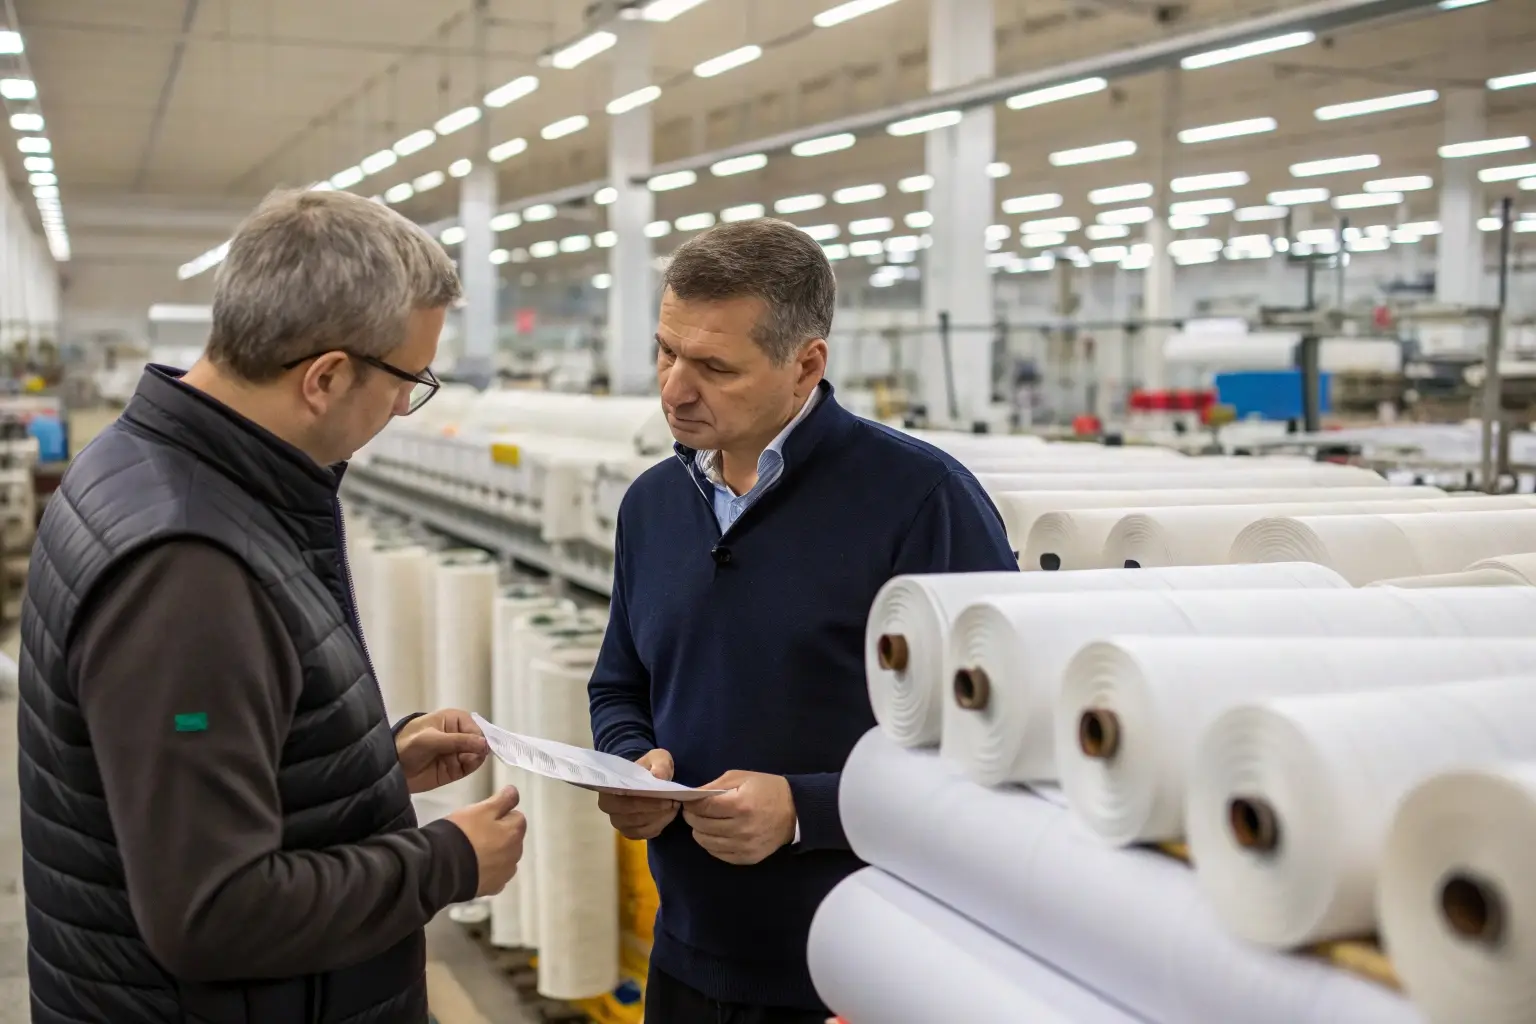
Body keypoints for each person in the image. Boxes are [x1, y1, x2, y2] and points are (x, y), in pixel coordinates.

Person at [18, 189, 527, 1024]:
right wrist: (446, 863)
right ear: (325, 377)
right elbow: (212, 912)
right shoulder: (186, 572)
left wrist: (370, 767)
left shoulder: (144, 465)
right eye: (408, 380)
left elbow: (187, 777)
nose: (406, 405)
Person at [588, 219, 1017, 1021]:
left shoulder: (921, 503)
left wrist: (807, 812)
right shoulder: (652, 504)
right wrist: (628, 762)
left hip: (855, 968)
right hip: (684, 955)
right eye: (666, 352)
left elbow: (997, 745)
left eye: (714, 366)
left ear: (806, 364)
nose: (674, 389)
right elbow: (621, 682)